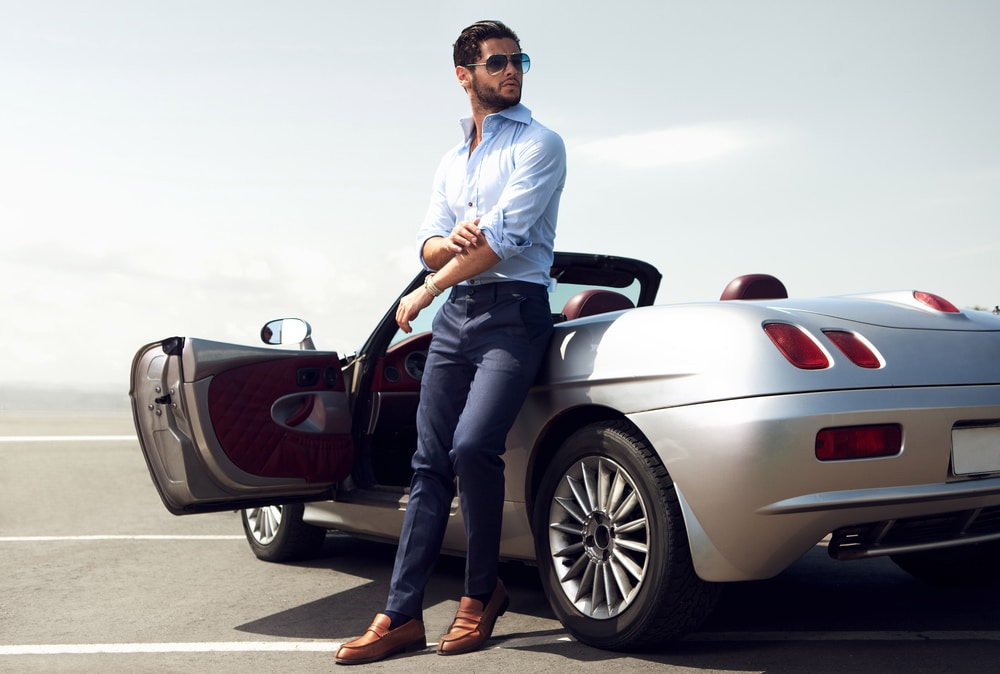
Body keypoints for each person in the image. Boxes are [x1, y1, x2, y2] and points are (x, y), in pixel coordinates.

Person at [334, 19, 566, 666]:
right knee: (426, 465)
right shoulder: (451, 159)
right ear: (465, 76)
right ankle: (400, 616)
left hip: (513, 316)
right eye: (497, 63)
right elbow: (431, 239)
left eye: (519, 60)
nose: (512, 71)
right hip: (459, 320)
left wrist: (425, 289)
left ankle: (480, 594)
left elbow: (502, 243)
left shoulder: (541, 146)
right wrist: (445, 249)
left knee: (471, 447)